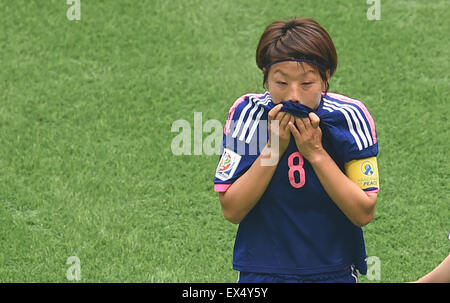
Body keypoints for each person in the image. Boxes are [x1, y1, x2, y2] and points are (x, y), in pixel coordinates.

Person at [214, 18, 380, 283]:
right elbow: (232, 210)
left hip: (333, 271)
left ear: (326, 79)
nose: (293, 96)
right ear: (265, 79)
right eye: (281, 83)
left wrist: (316, 153)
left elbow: (363, 211)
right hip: (262, 271)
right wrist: (273, 148)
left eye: (306, 84)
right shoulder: (247, 115)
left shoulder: (350, 117)